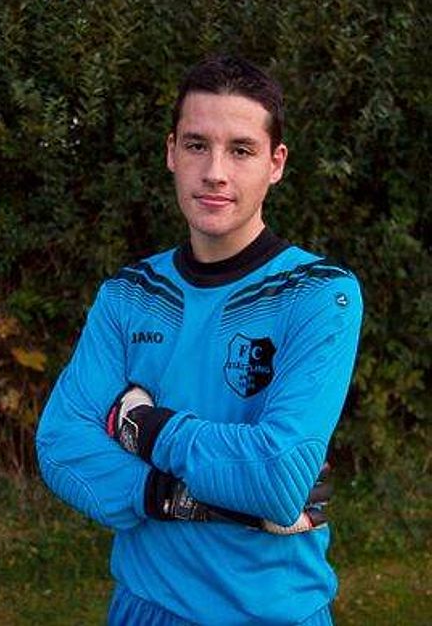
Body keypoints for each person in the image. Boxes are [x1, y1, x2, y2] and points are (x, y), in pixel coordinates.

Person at [36, 55, 363, 625]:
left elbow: (277, 476)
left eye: (241, 150)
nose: (215, 171)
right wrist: (183, 497)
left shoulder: (318, 293)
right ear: (171, 152)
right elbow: (61, 444)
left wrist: (141, 426)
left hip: (275, 614)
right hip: (146, 607)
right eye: (196, 145)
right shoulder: (128, 294)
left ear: (276, 163)